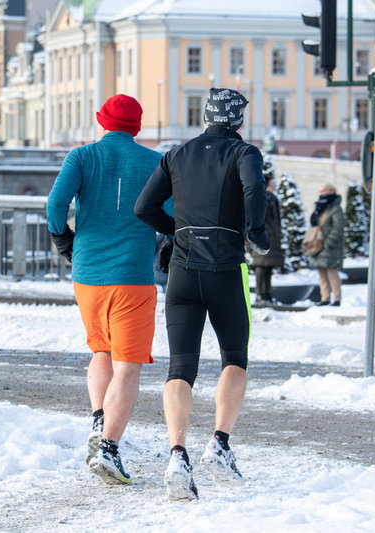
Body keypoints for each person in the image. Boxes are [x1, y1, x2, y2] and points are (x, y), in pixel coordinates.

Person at [134, 87, 270, 501]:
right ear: (238, 120)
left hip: (182, 271)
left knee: (180, 368)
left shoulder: (177, 154)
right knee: (235, 358)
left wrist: (176, 231)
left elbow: (143, 207)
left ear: (206, 117)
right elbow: (254, 190)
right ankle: (220, 444)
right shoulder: (244, 153)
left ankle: (177, 454)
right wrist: (256, 232)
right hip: (226, 269)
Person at [46, 94, 162, 486]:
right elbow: (172, 214)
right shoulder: (154, 162)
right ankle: (109, 448)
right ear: (137, 127)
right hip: (132, 275)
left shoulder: (81, 157)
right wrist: (167, 243)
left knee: (101, 351)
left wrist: (63, 240)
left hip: (88, 273)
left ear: (102, 122)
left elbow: (55, 206)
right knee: (128, 364)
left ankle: (99, 419)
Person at [250, 164, 284, 304]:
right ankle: (261, 293)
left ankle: (267, 293)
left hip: (272, 238)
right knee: (262, 267)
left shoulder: (272, 198)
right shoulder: (263, 197)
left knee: (268, 267)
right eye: (272, 184)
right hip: (264, 236)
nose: (274, 186)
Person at [307, 183, 345, 306]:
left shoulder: (335, 208)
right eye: (321, 191)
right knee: (322, 273)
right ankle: (325, 298)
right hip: (318, 245)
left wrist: (329, 242)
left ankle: (337, 299)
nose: (322, 193)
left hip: (330, 246)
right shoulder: (320, 207)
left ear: (332, 191)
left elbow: (338, 227)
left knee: (332, 272)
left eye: (324, 191)